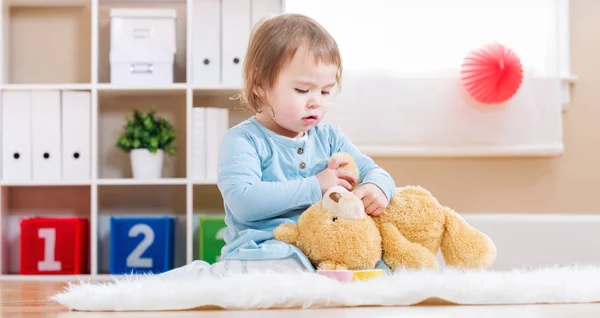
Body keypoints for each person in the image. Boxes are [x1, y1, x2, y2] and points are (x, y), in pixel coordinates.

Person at [160, 13, 396, 279]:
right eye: (302, 90)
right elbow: (243, 201)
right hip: (262, 251)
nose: (315, 102)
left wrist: (375, 187)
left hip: (322, 252)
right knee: (284, 270)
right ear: (260, 83)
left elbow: (377, 172)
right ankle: (198, 278)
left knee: (383, 266)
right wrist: (316, 185)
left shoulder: (330, 138)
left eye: (326, 91)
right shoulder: (243, 140)